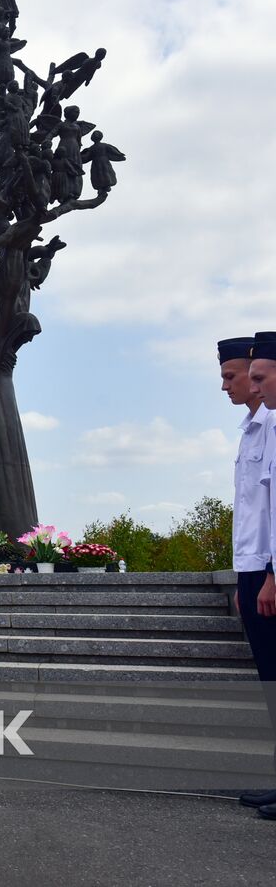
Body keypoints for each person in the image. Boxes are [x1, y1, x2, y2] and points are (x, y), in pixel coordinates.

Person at [240, 333, 276, 818]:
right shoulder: (260, 427)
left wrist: (270, 572)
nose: (252, 387)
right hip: (257, 567)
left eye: (258, 377)